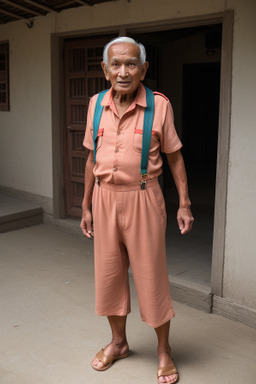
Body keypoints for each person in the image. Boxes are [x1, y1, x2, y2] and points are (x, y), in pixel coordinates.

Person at [80, 36, 194, 384]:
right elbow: (91, 156)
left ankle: (163, 351)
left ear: (144, 69)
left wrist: (185, 203)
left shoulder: (159, 105)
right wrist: (85, 205)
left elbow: (174, 156)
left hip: (144, 197)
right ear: (105, 70)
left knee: (151, 277)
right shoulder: (96, 103)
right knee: (109, 276)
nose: (124, 71)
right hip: (104, 199)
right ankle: (118, 343)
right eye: (116, 64)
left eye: (131, 64)